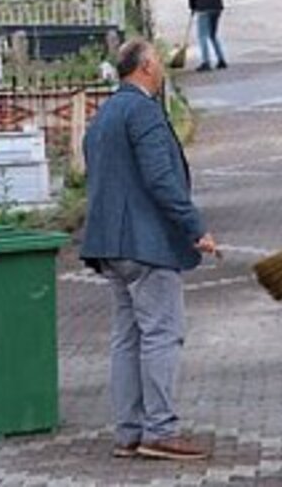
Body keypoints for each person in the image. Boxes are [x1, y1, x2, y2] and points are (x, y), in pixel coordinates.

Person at [81, 39, 218, 460]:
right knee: (161, 334)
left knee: (127, 338)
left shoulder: (104, 113)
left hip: (111, 244)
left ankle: (129, 431)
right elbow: (161, 179)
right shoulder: (144, 111)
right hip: (146, 244)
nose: (161, 68)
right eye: (156, 61)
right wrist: (195, 227)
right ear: (143, 67)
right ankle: (160, 430)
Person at [180, 0, 227, 72]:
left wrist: (192, 7)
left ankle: (206, 62)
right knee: (213, 34)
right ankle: (221, 60)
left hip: (203, 7)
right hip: (217, 5)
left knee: (202, 36)